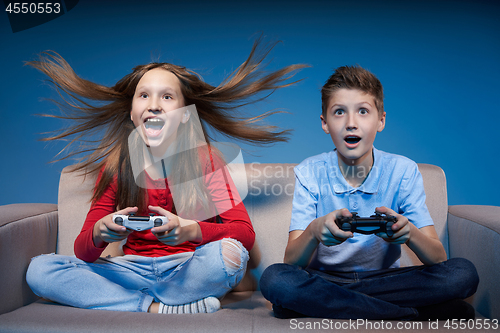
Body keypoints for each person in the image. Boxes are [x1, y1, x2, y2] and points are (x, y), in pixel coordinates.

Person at [26, 38, 306, 314]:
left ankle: (134, 301)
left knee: (231, 256)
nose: (154, 105)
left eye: (167, 97)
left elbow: (244, 234)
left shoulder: (205, 160)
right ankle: (157, 307)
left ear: (184, 116)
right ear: (132, 113)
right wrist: (100, 232)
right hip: (130, 272)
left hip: (187, 269)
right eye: (144, 95)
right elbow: (83, 252)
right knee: (40, 271)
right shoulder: (116, 167)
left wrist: (191, 230)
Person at [259, 65, 479, 320]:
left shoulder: (403, 170)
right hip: (327, 279)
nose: (351, 123)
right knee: (275, 278)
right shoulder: (310, 171)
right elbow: (292, 262)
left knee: (463, 272)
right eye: (339, 112)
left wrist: (409, 233)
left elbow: (438, 258)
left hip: (384, 280)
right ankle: (409, 314)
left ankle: (331, 305)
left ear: (381, 120)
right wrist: (314, 230)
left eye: (363, 111)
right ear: (325, 123)